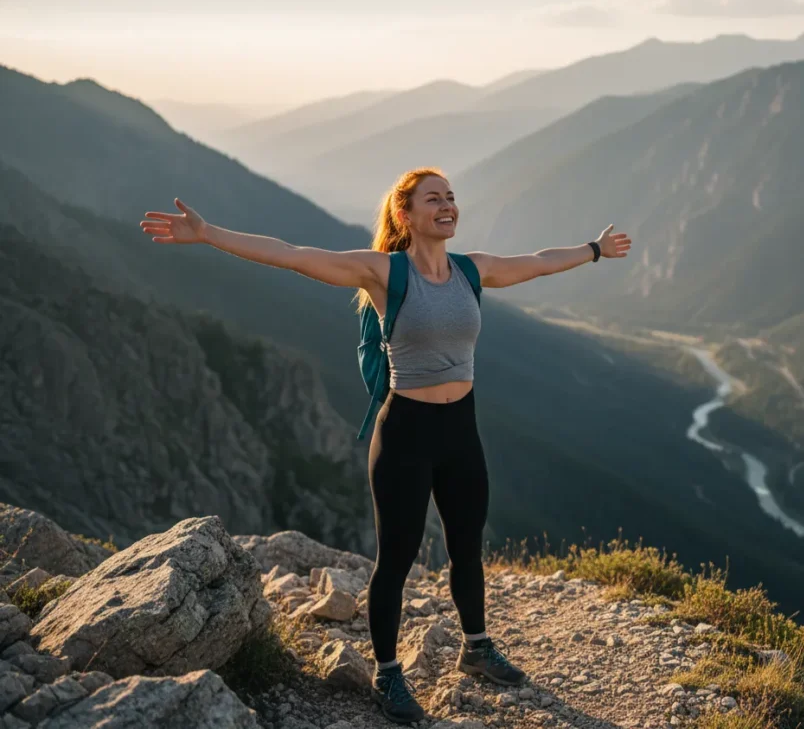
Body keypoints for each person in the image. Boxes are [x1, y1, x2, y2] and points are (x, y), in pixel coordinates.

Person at [139, 167, 631, 724]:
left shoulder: (473, 270)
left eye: (451, 197)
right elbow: (291, 253)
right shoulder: (382, 272)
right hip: (405, 435)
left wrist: (594, 249)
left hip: (461, 431)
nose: (447, 206)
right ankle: (389, 674)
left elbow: (539, 261)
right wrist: (209, 234)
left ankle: (476, 647)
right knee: (395, 560)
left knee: (466, 546)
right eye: (433, 199)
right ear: (406, 214)